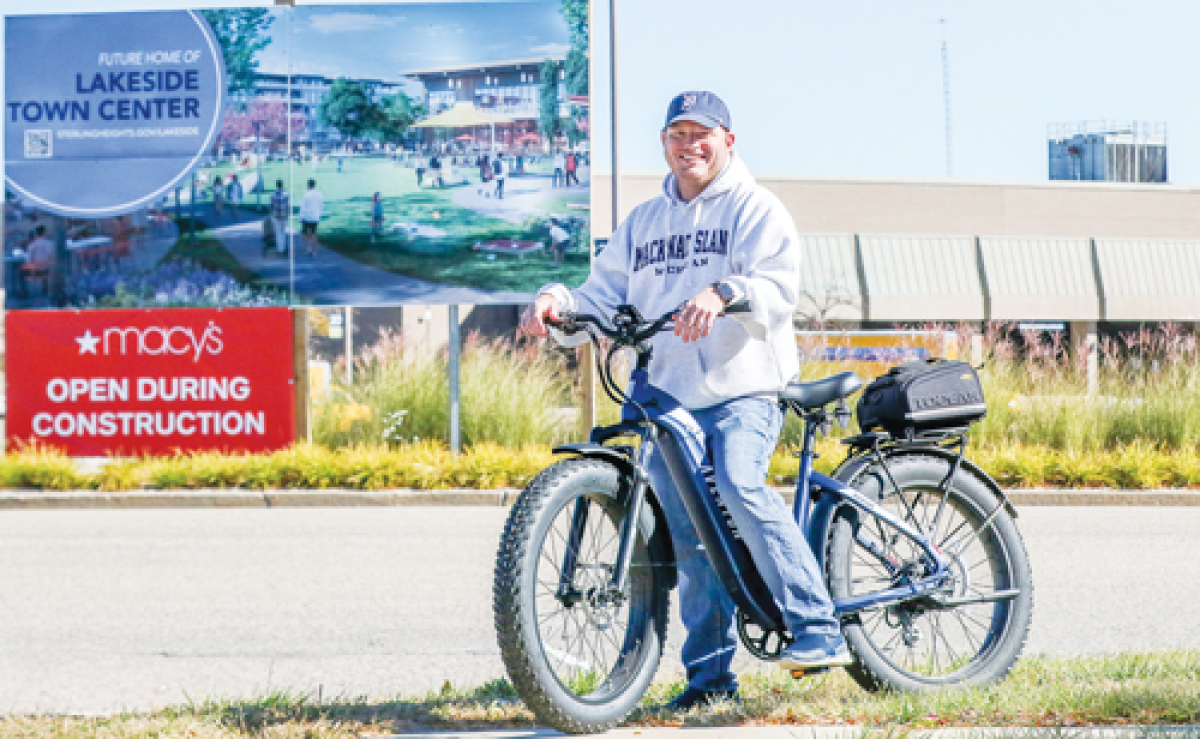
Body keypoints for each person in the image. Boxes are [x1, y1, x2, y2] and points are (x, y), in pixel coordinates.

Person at [520, 91, 850, 711]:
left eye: (702, 134)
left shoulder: (757, 208)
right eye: (677, 134)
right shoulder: (644, 222)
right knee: (687, 534)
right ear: (665, 143)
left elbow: (779, 287)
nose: (688, 145)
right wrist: (556, 303)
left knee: (738, 486)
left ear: (729, 140)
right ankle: (709, 681)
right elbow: (601, 292)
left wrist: (723, 291)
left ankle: (818, 627)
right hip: (664, 394)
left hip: (741, 388)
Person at [299, 178, 324, 257]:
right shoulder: (319, 195)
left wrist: (301, 217)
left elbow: (303, 207)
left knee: (306, 233)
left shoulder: (306, 195)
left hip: (307, 217)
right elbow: (321, 206)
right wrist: (319, 215)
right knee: (314, 233)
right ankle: (314, 250)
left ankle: (308, 248)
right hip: (315, 217)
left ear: (308, 185)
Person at [269, 179, 290, 255]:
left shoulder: (272, 195)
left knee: (278, 233)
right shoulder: (287, 194)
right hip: (284, 216)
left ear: (276, 185)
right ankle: (283, 247)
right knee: (283, 232)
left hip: (276, 216)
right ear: (282, 184)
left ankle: (280, 249)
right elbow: (288, 206)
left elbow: (271, 206)